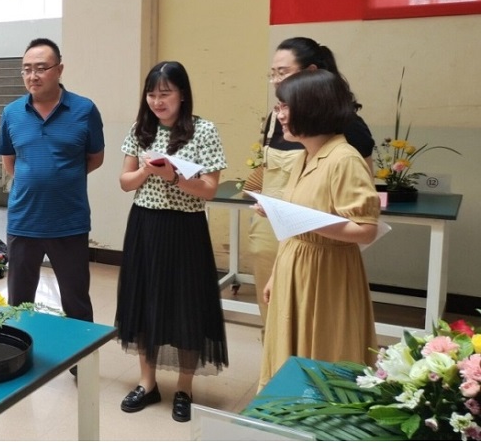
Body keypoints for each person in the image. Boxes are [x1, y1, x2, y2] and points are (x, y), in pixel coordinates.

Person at [114, 61, 229, 423]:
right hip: (145, 224)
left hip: (185, 227)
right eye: (151, 94)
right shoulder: (141, 129)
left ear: (182, 94)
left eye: (165, 94)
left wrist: (174, 177)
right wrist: (146, 170)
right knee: (144, 300)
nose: (157, 101)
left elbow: (209, 190)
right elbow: (125, 182)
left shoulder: (204, 130)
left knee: (186, 304)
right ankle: (147, 383)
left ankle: (184, 387)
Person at [258, 69, 380, 389]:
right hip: (295, 264)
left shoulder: (344, 159)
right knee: (290, 354)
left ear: (312, 108)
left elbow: (365, 229)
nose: (279, 115)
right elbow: (297, 221)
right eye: (278, 107)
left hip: (327, 273)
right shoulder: (304, 156)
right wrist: (276, 274)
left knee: (326, 352)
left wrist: (300, 218)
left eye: (285, 107)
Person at [246, 37, 374, 331]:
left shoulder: (344, 137)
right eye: (272, 74)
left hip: (318, 242)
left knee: (312, 325)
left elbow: (362, 205)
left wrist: (300, 219)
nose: (276, 80)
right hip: (275, 233)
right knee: (275, 318)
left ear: (311, 72)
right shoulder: (283, 125)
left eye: (283, 72)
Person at [0, 38, 105, 327]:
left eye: (41, 68)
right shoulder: (11, 113)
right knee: (18, 304)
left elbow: (95, 157)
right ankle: (20, 350)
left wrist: (62, 177)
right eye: (26, 69)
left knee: (76, 301)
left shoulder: (84, 109)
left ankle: (81, 356)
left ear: (59, 69)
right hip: (24, 222)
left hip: (69, 222)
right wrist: (37, 180)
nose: (33, 75)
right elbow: (9, 161)